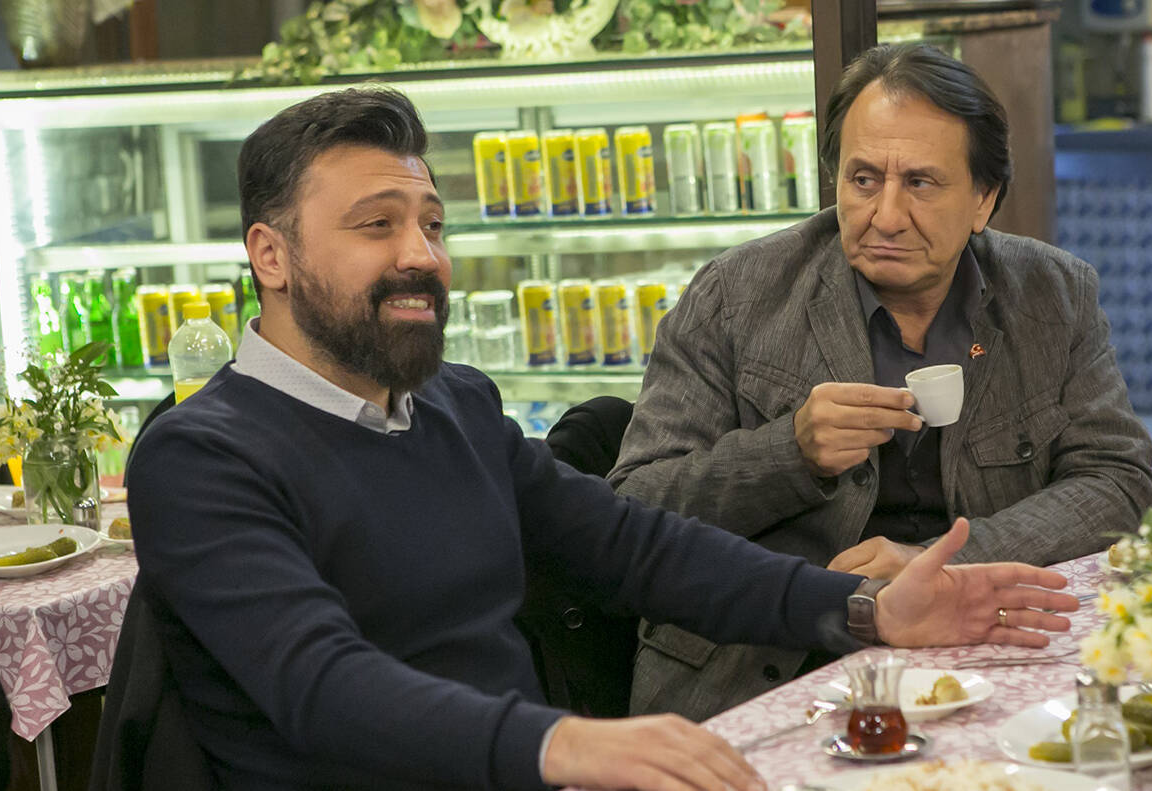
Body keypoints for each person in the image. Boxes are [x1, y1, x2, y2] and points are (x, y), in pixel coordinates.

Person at [126, 86, 1080, 791]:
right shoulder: (201, 456)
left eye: (432, 224)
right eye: (377, 225)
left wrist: (866, 610)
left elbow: (635, 549)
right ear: (271, 255)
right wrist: (568, 742)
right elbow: (322, 684)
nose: (422, 255)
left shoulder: (454, 405)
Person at [609, 42, 1152, 722]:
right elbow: (631, 511)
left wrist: (935, 564)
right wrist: (790, 453)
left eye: (921, 183)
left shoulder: (1052, 292)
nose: (887, 216)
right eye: (864, 180)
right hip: (765, 666)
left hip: (980, 651)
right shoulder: (736, 297)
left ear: (983, 199)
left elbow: (1115, 478)